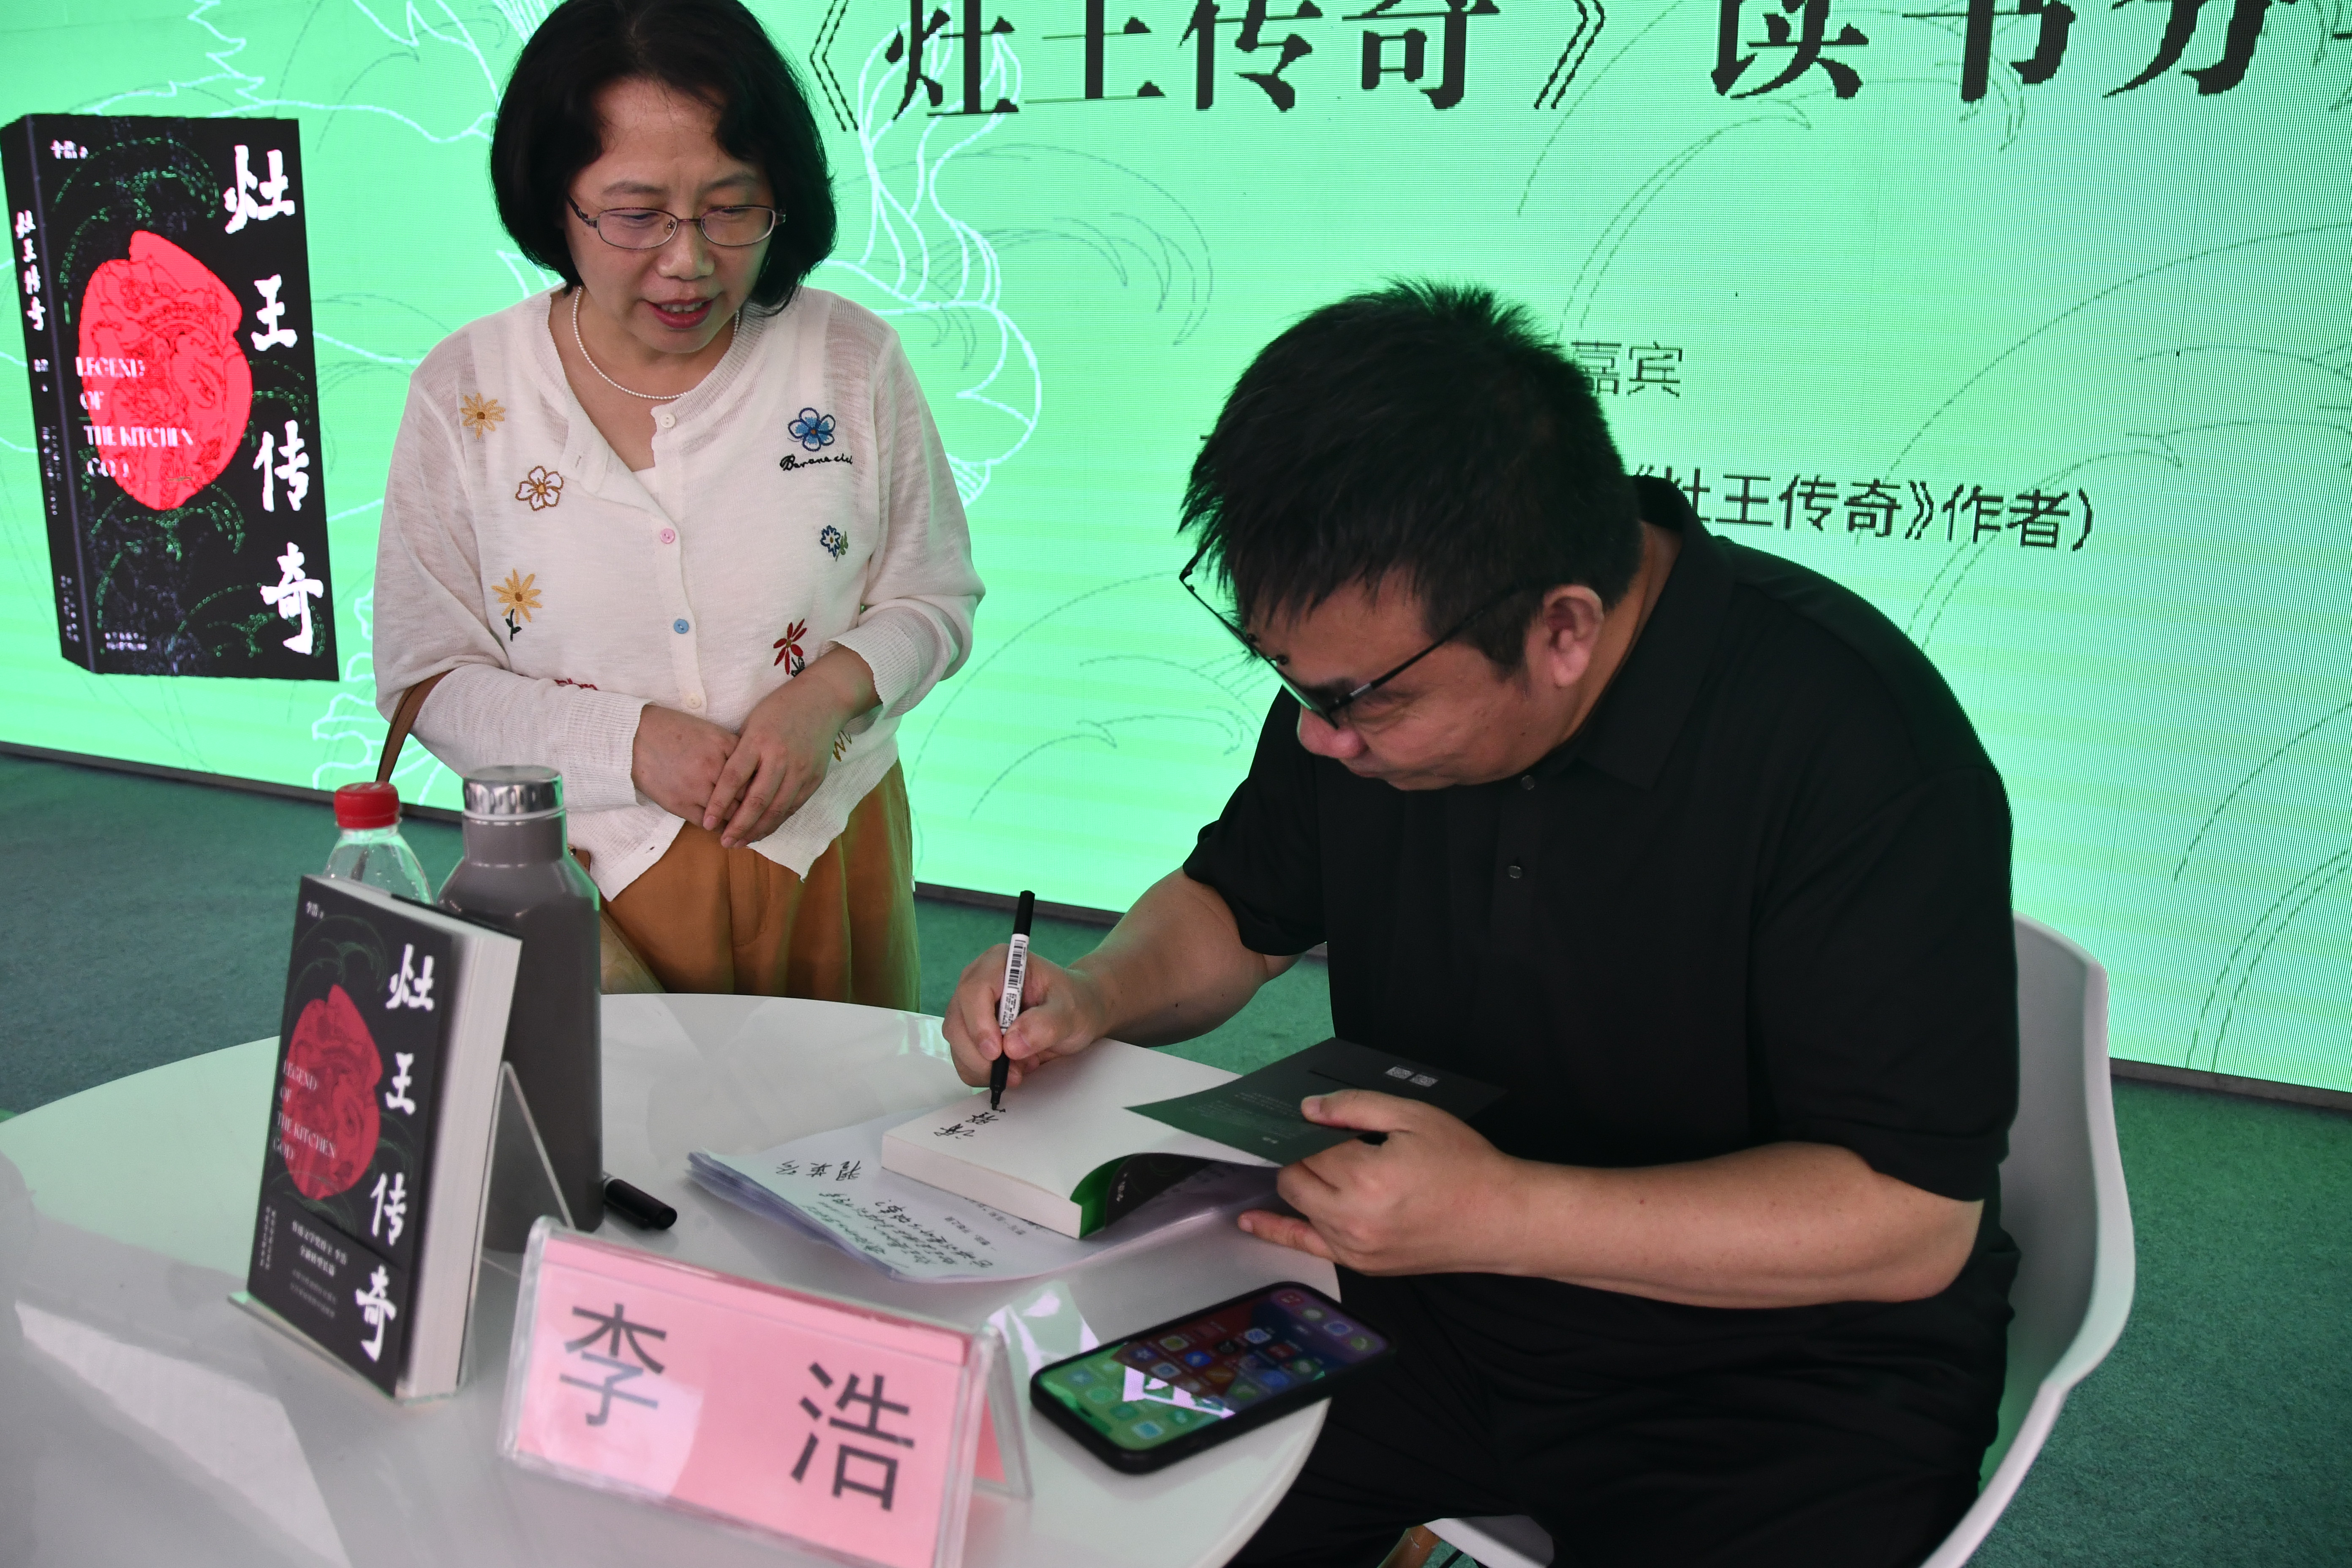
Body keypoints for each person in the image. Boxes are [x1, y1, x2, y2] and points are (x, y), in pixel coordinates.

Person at [943, 283, 2018, 1567]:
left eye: (1359, 703)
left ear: (1562, 629)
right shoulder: (1368, 679)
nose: (1324, 739)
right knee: (1070, 1502)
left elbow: (1910, 1217)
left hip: (1776, 1374)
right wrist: (1097, 992)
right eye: (1290, 684)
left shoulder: (1857, 748)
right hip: (1415, 1288)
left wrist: (1504, 1214)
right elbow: (1241, 907)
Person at [374, 0, 980, 1004]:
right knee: (613, 1107)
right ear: (555, 200)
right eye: (636, 214)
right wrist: (630, 744)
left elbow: (935, 596)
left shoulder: (848, 359)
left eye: (731, 209)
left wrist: (826, 698)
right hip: (582, 875)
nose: (689, 260)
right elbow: (425, 677)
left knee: (848, 1103)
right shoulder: (468, 393)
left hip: (827, 850)